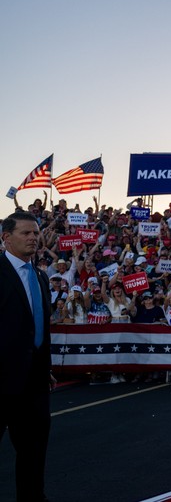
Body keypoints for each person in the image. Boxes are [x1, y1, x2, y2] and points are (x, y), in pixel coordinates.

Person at [1, 211, 55, 500]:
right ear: (6, 238)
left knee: (33, 454)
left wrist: (44, 368)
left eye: (36, 232)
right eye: (26, 233)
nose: (34, 237)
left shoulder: (41, 277)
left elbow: (42, 329)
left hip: (33, 383)